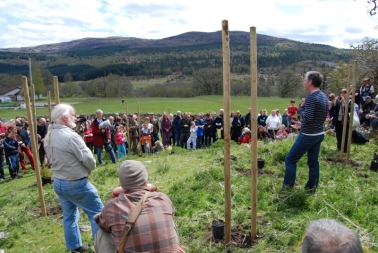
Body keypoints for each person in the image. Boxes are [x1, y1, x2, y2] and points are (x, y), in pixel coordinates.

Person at [44, 103, 104, 253]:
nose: (75, 117)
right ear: (64, 118)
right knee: (98, 214)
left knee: (69, 216)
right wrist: (88, 169)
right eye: (72, 114)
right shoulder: (70, 136)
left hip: (59, 182)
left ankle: (74, 247)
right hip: (75, 183)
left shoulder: (49, 136)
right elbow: (89, 159)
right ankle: (103, 247)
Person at [94, 160, 184, 253]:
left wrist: (112, 196)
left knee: (101, 233)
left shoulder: (112, 206)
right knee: (169, 222)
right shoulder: (163, 198)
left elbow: (102, 224)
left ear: (122, 183)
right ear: (145, 179)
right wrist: (154, 188)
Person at [283, 71, 328, 192]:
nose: (303, 82)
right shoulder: (324, 96)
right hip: (319, 133)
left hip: (308, 135)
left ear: (310, 82)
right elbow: (318, 117)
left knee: (290, 159)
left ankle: (287, 188)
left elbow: (307, 117)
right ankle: (311, 188)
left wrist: (302, 108)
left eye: (305, 79)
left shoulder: (311, 98)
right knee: (314, 162)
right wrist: (302, 125)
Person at [331, 89, 350, 153]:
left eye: (344, 93)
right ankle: (339, 147)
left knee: (345, 134)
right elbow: (333, 108)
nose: (343, 94)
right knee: (338, 134)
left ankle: (345, 149)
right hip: (338, 120)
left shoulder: (350, 101)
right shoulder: (338, 101)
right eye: (341, 93)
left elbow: (350, 110)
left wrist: (344, 102)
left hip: (345, 121)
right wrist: (334, 102)